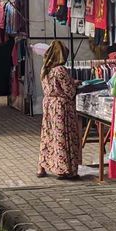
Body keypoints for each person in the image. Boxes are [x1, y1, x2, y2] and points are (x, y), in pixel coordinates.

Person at [37, 41, 82, 180]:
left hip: (49, 105)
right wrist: (75, 83)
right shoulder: (60, 70)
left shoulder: (45, 69)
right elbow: (69, 91)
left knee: (49, 135)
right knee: (63, 135)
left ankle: (42, 166)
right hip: (61, 107)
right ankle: (64, 169)